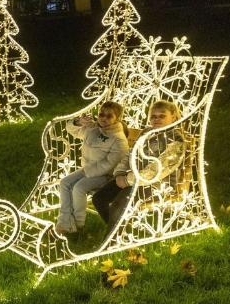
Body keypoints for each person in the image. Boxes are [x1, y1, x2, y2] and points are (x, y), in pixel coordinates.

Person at [92, 100, 185, 231]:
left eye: (162, 116)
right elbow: (130, 154)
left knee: (119, 204)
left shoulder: (176, 139)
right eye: (153, 116)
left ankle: (111, 241)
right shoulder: (147, 132)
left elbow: (159, 169)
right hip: (133, 178)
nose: (156, 119)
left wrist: (128, 180)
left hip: (157, 183)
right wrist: (120, 173)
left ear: (173, 116)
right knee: (99, 198)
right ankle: (118, 230)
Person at [56, 101, 129, 235]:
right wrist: (78, 122)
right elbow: (72, 131)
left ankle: (77, 225)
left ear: (117, 119)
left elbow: (110, 164)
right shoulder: (93, 128)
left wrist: (86, 172)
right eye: (101, 114)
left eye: (109, 116)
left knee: (78, 188)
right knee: (64, 183)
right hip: (88, 170)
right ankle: (65, 221)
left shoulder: (119, 139)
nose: (104, 118)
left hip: (106, 176)